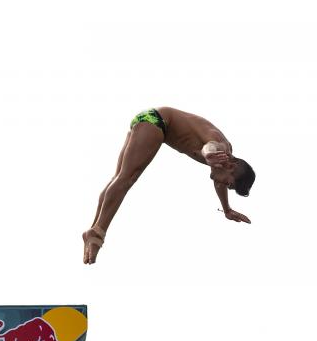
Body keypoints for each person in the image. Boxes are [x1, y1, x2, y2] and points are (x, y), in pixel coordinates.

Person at [82, 106, 256, 264]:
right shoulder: (221, 149)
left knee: (119, 178)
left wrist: (226, 209)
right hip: (156, 122)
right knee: (127, 179)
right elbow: (210, 146)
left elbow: (219, 184)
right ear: (231, 167)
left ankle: (94, 228)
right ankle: (98, 233)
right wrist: (207, 154)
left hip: (150, 120)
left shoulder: (222, 163)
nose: (225, 185)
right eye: (229, 183)